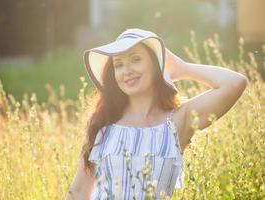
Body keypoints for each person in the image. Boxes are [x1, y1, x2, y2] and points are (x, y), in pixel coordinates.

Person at [64, 28, 248, 200]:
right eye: (118, 65)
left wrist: (183, 69)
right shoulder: (102, 124)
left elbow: (234, 83)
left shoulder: (178, 121)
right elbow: (79, 191)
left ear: (155, 65)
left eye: (136, 60)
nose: (126, 71)